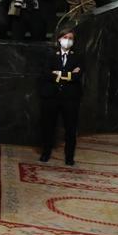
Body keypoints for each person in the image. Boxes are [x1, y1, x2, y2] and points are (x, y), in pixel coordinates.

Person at [39, 30, 82, 165]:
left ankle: (69, 157)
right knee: (48, 126)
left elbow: (78, 76)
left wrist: (57, 74)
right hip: (51, 96)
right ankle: (46, 153)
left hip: (70, 97)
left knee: (70, 129)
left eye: (70, 38)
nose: (68, 40)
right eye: (65, 37)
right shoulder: (50, 54)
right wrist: (68, 74)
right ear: (59, 39)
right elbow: (46, 73)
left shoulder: (78, 56)